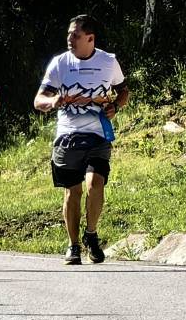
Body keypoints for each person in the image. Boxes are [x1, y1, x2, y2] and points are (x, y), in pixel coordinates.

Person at [34, 15, 130, 265]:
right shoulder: (59, 63)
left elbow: (123, 91)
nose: (69, 39)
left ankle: (91, 234)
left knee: (95, 183)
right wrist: (52, 102)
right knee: (72, 191)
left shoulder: (108, 61)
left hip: (98, 134)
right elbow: (38, 100)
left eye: (75, 35)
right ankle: (73, 245)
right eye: (68, 34)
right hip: (67, 136)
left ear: (90, 38)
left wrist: (115, 107)